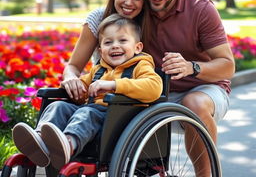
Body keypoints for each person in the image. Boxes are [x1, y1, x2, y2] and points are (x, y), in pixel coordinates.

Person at [12, 14, 162, 170]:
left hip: (117, 120)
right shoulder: (98, 70)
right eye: (108, 42)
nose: (115, 46)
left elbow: (154, 88)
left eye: (122, 41)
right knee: (58, 106)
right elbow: (82, 92)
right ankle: (40, 141)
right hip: (92, 115)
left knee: (86, 113)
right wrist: (72, 88)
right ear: (100, 50)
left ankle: (68, 145)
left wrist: (114, 85)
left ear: (138, 47)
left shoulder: (141, 66)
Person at [140, 0, 235, 177]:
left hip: (204, 89)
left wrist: (191, 67)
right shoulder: (137, 3)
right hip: (154, 92)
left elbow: (227, 66)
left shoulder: (201, 9)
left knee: (193, 104)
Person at [61, 0, 150, 103]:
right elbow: (73, 67)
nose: (128, 2)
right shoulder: (98, 18)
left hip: (126, 103)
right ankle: (44, 125)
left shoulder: (149, 25)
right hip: (97, 95)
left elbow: (152, 84)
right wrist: (71, 78)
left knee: (85, 115)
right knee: (59, 106)